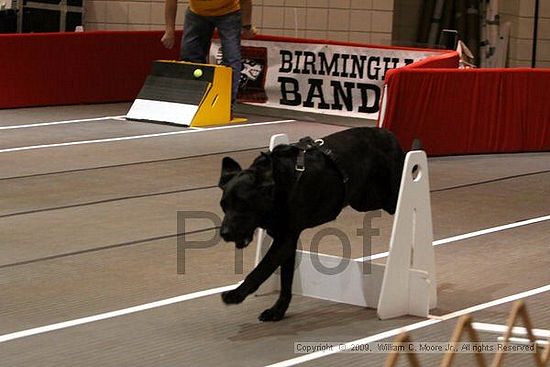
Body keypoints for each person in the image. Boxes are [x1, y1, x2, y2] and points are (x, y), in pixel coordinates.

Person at [161, 0, 256, 112]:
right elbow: (171, 1)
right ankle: (192, 100)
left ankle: (226, 105)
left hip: (229, 13)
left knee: (231, 58)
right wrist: (169, 30)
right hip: (197, 13)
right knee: (189, 54)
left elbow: (245, 1)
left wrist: (246, 26)